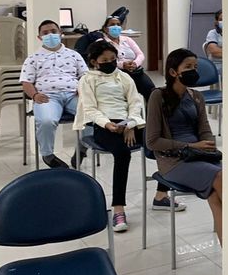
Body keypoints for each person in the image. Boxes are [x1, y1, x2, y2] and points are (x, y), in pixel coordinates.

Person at [74, 40, 181, 232]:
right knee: (122, 153)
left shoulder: (124, 77)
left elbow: (135, 103)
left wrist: (130, 123)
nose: (110, 63)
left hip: (129, 123)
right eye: (105, 60)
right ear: (94, 61)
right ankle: (118, 209)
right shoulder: (87, 80)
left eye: (113, 59)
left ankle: (161, 196)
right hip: (103, 126)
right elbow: (90, 109)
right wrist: (108, 124)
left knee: (162, 142)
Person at [146, 48, 224, 245]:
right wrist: (191, 145)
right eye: (188, 67)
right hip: (173, 162)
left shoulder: (196, 97)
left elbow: (205, 130)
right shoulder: (158, 96)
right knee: (222, 178)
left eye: (195, 67)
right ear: (173, 72)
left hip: (200, 155)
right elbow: (152, 141)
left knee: (217, 196)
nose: (193, 71)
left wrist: (207, 145)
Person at [20, 19, 88, 169]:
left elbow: (85, 76)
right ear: (39, 37)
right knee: (46, 121)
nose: (50, 35)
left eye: (53, 31)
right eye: (45, 33)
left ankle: (82, 148)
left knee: (91, 115)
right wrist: (34, 96)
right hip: (47, 97)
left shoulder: (74, 55)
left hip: (73, 95)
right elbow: (26, 82)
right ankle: (48, 155)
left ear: (60, 33)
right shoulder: (33, 58)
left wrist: (82, 88)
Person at [100, 15, 155, 103]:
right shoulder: (101, 43)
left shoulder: (127, 40)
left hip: (135, 71)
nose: (116, 27)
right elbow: (106, 60)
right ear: (106, 29)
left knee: (151, 90)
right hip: (116, 73)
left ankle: (151, 110)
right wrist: (123, 65)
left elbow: (140, 54)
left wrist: (135, 63)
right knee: (125, 95)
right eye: (112, 24)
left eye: (118, 24)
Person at [204, 10, 223, 74]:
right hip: (216, 68)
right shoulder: (213, 33)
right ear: (216, 22)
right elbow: (214, 52)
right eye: (221, 20)